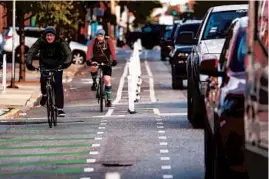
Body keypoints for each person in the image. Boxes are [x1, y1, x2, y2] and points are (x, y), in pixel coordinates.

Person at [26, 26, 72, 117]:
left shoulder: (60, 42)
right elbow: (32, 51)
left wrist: (65, 64)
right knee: (43, 80)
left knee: (58, 85)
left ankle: (60, 109)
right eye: (47, 35)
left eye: (51, 35)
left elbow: (68, 53)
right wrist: (29, 63)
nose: (49, 37)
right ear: (45, 36)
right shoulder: (41, 41)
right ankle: (44, 95)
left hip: (58, 65)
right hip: (44, 64)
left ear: (55, 36)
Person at [86, 29, 117, 107]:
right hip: (96, 60)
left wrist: (114, 60)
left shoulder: (108, 41)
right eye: (98, 36)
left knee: (107, 80)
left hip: (106, 61)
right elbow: (89, 51)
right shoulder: (93, 41)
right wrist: (88, 60)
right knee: (93, 67)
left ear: (104, 36)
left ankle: (108, 99)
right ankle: (94, 82)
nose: (99, 38)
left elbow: (113, 51)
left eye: (101, 36)